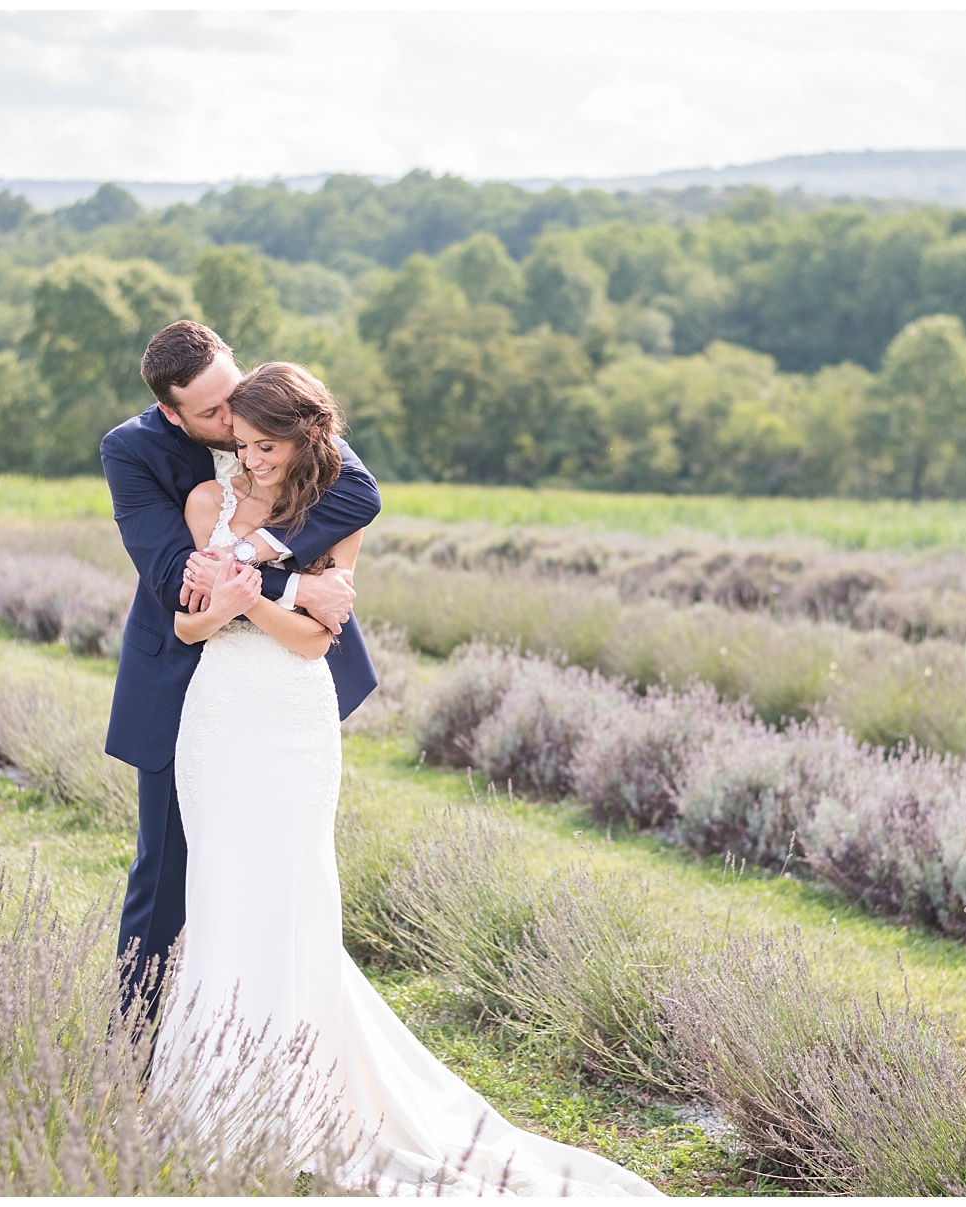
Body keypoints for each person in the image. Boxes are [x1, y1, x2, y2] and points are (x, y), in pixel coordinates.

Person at [152, 360, 663, 1196]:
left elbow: (316, 640)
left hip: (289, 717)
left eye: (266, 446)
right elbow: (183, 621)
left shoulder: (333, 511)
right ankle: (212, 1090)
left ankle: (296, 1085)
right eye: (241, 445)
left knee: (292, 887)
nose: (251, 462)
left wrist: (248, 598)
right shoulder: (208, 502)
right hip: (216, 720)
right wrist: (248, 599)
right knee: (219, 885)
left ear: (306, 437)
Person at [101, 320, 381, 1015]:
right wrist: (292, 584)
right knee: (163, 881)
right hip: (188, 684)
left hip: (284, 676)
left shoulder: (270, 408)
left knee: (284, 872)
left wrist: (273, 574)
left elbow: (360, 493)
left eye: (236, 396)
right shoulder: (131, 451)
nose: (236, 425)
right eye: (214, 414)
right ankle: (133, 1060)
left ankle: (282, 1035)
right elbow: (178, 585)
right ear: (173, 413)